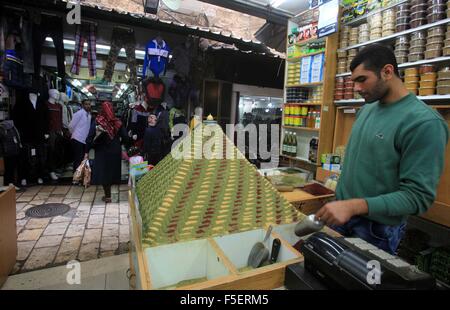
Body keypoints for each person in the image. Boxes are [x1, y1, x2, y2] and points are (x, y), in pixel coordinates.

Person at [315, 44, 449, 254]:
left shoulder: (424, 123)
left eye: (362, 79)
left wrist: (352, 206)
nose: (357, 88)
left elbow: (418, 197)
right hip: (340, 215)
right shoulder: (367, 109)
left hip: (376, 230)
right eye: (354, 81)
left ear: (387, 71)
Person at [87, 102, 128, 203]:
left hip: (102, 151)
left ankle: (108, 195)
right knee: (113, 171)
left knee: (104, 173)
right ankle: (114, 194)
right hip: (115, 150)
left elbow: (90, 137)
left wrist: (90, 147)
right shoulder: (118, 122)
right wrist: (119, 143)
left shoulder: (98, 121)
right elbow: (126, 137)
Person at [69, 100, 92, 172]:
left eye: (89, 104)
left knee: (82, 158)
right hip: (77, 138)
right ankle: (75, 178)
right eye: (86, 104)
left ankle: (79, 176)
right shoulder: (79, 114)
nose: (88, 106)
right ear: (82, 105)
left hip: (84, 140)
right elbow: (71, 126)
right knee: (77, 159)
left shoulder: (89, 115)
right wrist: (74, 134)